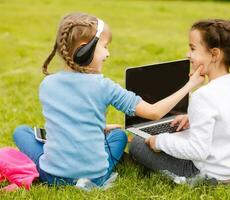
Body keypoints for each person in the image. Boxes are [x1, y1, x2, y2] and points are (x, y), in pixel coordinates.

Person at [12, 12, 203, 187]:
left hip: (53, 175)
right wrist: (189, 85)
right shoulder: (104, 86)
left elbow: (67, 116)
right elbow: (154, 113)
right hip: (96, 175)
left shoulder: (47, 84)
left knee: (21, 132)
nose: (108, 54)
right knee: (119, 136)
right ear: (84, 50)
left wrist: (98, 127)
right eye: (104, 47)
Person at [129, 19, 230, 185]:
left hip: (209, 174)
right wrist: (192, 118)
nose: (188, 54)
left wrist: (159, 141)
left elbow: (197, 150)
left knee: (137, 145)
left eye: (193, 48)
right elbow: (226, 120)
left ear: (214, 55)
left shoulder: (204, 96)